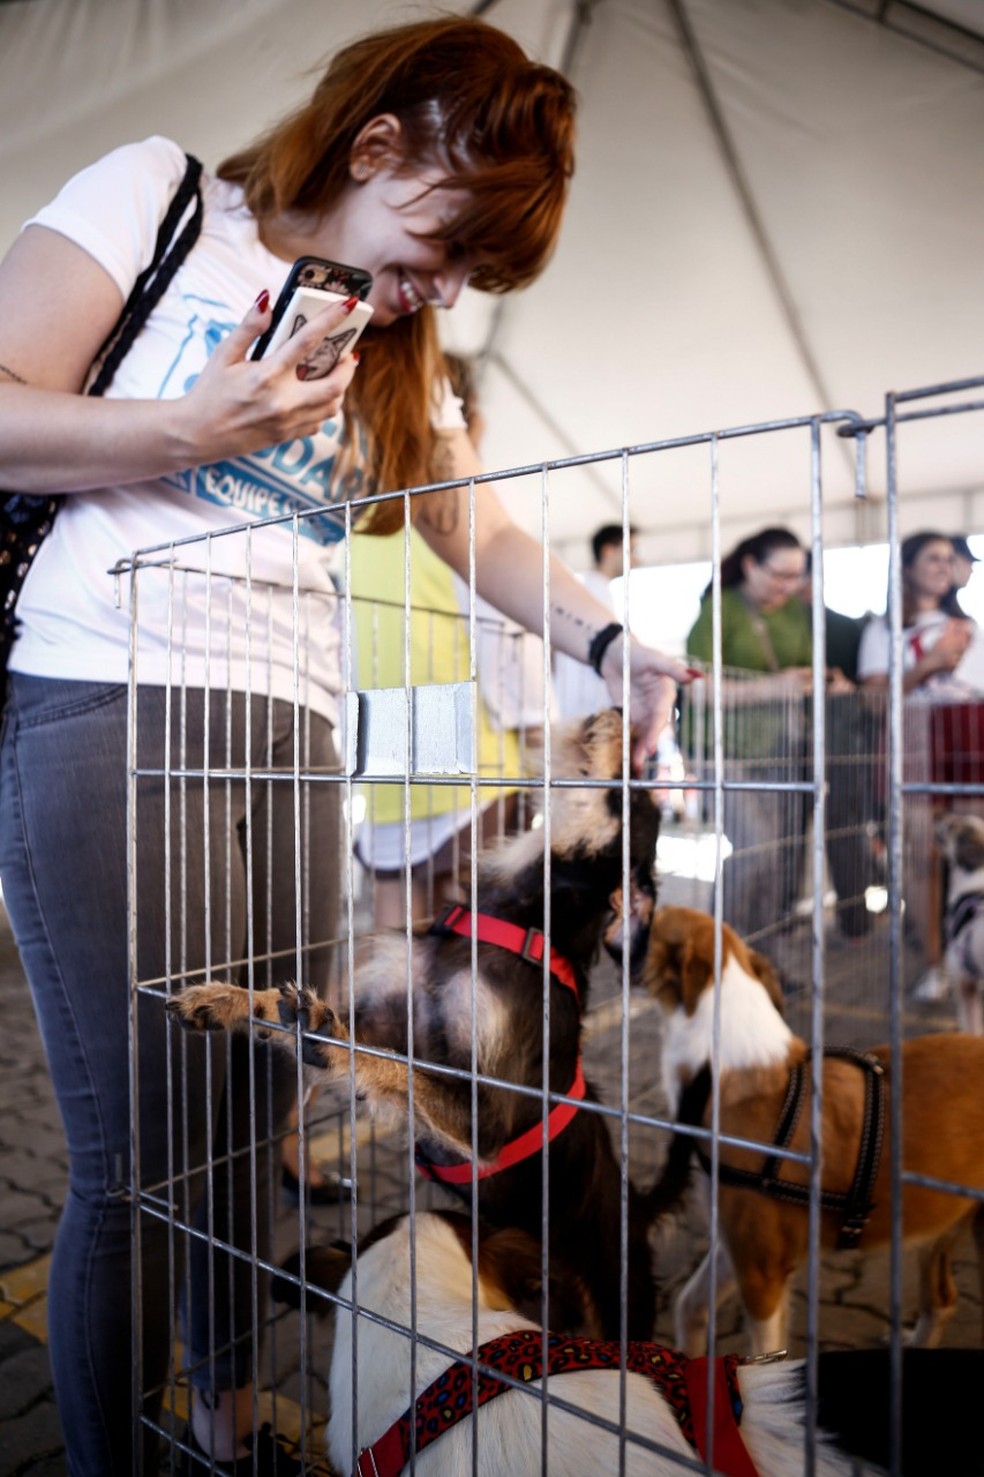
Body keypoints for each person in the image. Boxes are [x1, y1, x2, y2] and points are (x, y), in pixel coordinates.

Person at [0, 17, 692, 1476]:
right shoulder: (162, 199)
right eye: (445, 248)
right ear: (378, 146)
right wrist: (185, 424)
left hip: (293, 725)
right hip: (108, 685)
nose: (440, 290)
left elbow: (475, 525)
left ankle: (231, 1420)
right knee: (139, 1162)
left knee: (251, 1129)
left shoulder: (400, 341)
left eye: (470, 279)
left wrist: (613, 644)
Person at [350, 353, 546, 928]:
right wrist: (536, 723)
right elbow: (505, 617)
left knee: (396, 888)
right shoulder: (461, 503)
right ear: (465, 417)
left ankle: (381, 1014)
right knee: (467, 901)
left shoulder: (362, 509)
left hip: (387, 714)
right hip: (469, 720)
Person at [685, 526, 816, 941]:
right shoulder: (720, 609)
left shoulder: (794, 610)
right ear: (749, 565)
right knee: (755, 848)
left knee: (777, 857)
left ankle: (760, 955)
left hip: (775, 748)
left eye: (796, 576)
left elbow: (798, 668)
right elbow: (698, 687)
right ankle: (718, 949)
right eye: (779, 575)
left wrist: (819, 679)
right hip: (719, 749)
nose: (787, 585)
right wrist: (773, 687)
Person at [552, 522, 639, 720]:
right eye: (631, 550)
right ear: (609, 550)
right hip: (584, 707)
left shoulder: (594, 591)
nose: (636, 559)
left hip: (583, 706)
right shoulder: (591, 594)